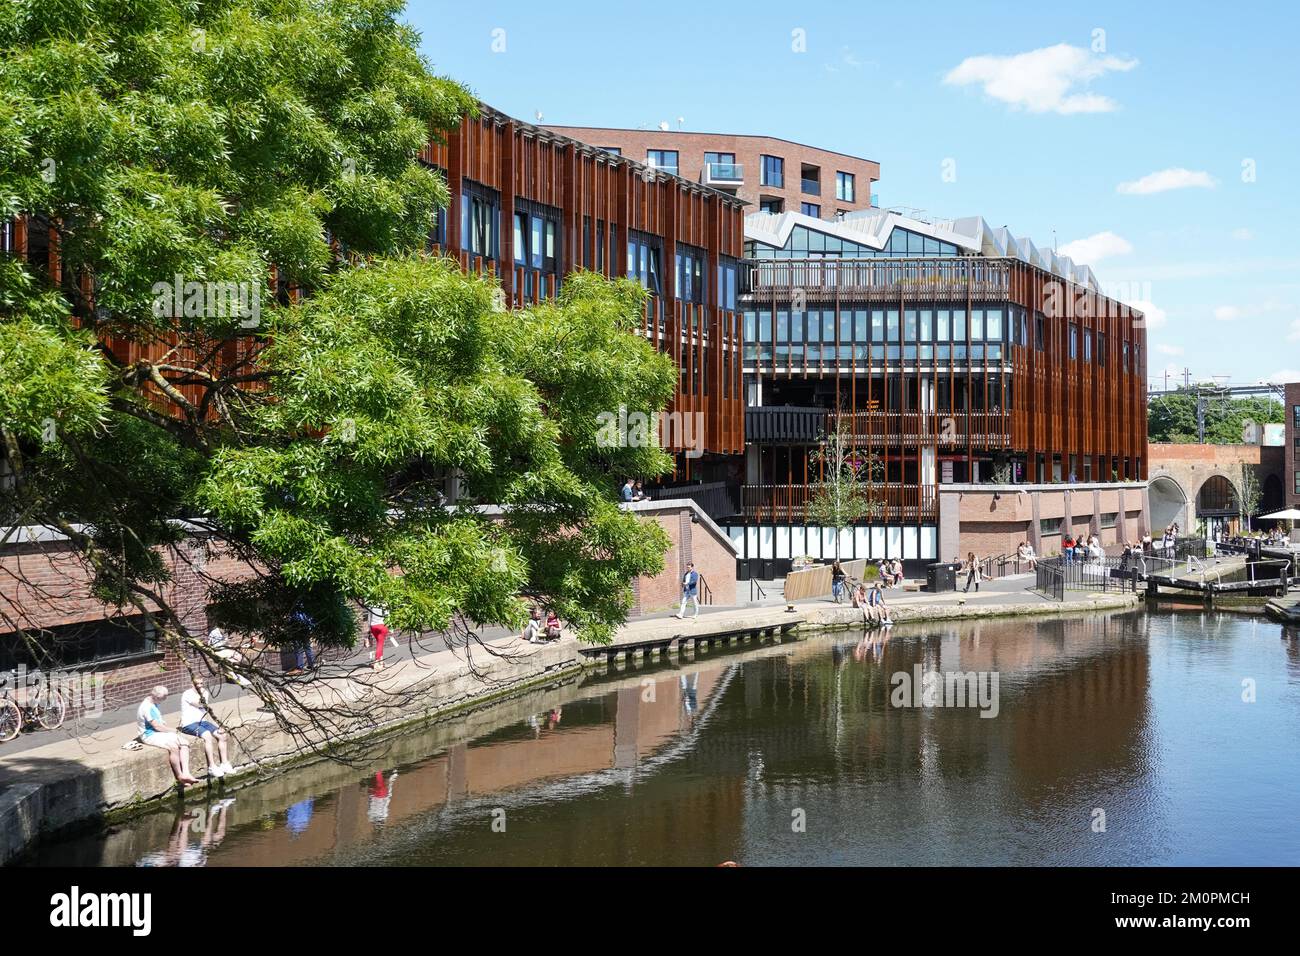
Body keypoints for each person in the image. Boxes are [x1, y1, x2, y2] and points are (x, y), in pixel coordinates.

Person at [137, 686, 199, 785]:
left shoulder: (153, 702)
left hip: (158, 733)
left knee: (184, 742)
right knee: (173, 747)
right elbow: (157, 727)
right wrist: (174, 731)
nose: (165, 700)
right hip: (149, 735)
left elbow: (159, 722)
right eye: (163, 698)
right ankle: (180, 776)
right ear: (155, 696)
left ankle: (186, 773)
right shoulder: (147, 707)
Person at [179, 684, 234, 779]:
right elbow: (198, 704)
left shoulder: (205, 692)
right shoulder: (187, 694)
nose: (199, 686)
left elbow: (205, 710)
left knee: (222, 735)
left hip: (203, 721)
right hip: (189, 723)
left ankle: (224, 763)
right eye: (197, 684)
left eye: (201, 684)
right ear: (192, 684)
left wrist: (214, 726)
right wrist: (202, 696)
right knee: (207, 735)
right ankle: (212, 766)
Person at [367, 606, 389, 670]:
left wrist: (369, 627)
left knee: (379, 644)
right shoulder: (384, 603)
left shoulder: (371, 604)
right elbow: (387, 615)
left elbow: (369, 617)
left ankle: (381, 662)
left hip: (373, 626)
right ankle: (377, 663)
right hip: (382, 625)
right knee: (380, 644)